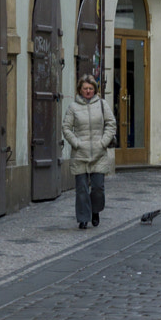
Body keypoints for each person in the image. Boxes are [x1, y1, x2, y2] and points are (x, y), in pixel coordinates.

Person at [62, 73, 117, 230]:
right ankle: (83, 218)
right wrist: (76, 143)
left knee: (98, 187)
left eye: (91, 88)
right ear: (80, 90)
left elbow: (111, 124)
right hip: (80, 154)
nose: (88, 91)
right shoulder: (73, 107)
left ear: (95, 90)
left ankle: (95, 210)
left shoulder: (101, 104)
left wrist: (103, 142)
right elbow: (66, 127)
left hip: (98, 154)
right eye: (85, 88)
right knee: (81, 189)